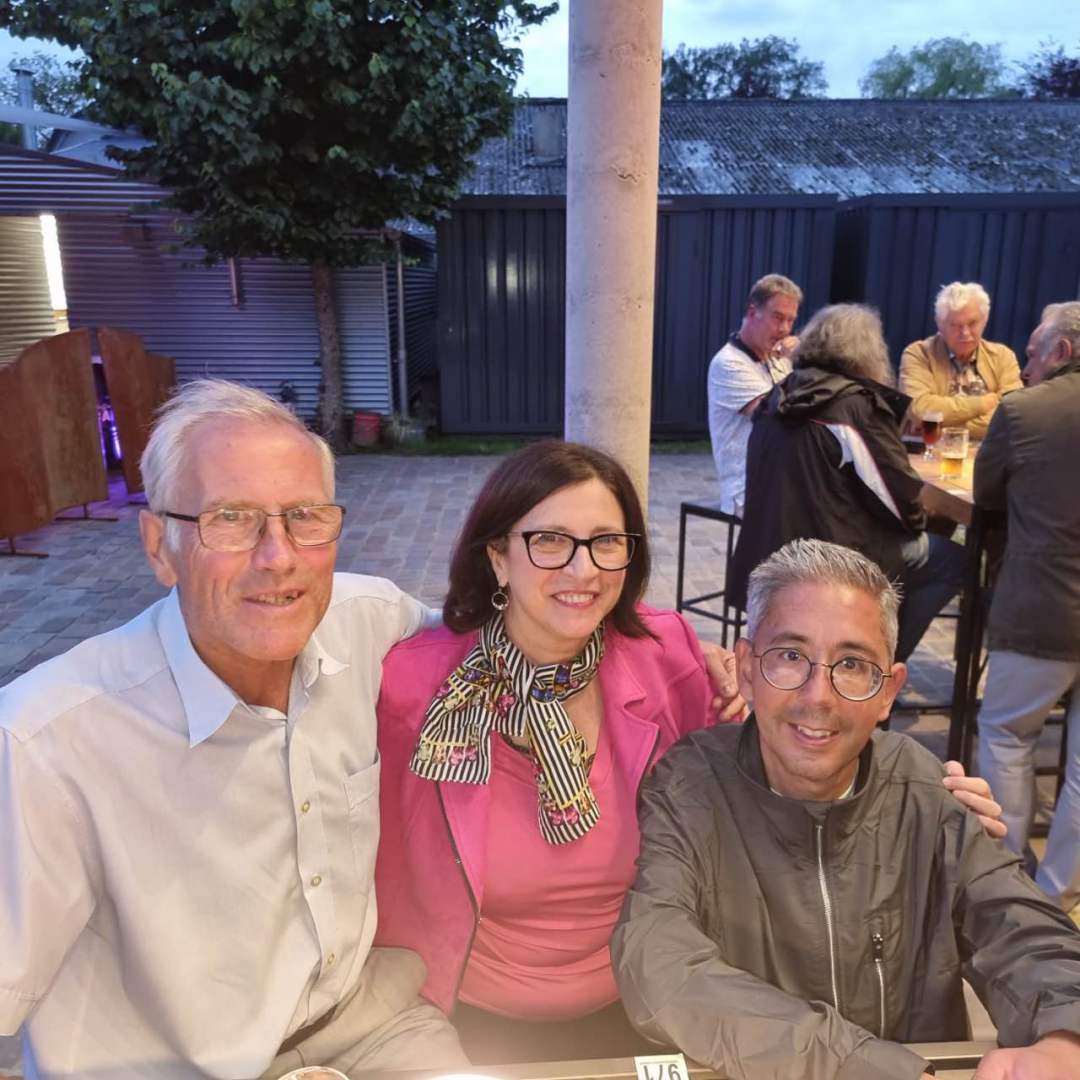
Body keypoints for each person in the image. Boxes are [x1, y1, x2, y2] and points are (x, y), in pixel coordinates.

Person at [373, 442, 1002, 1066]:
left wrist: (914, 796)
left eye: (606, 542)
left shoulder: (666, 657)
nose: (583, 570)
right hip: (468, 1015)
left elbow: (772, 766)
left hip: (653, 1003)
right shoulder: (413, 688)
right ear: (497, 557)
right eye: (551, 541)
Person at [0, 380, 467, 1079]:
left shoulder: (366, 621)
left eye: (304, 516)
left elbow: (503, 645)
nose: (278, 556)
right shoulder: (44, 744)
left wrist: (645, 646)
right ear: (160, 547)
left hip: (368, 1027)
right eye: (231, 519)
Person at [613, 539, 1080, 1080]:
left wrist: (1065, 1036)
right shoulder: (690, 785)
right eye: (791, 656)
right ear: (746, 669)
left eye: (852, 664)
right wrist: (864, 1067)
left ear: (888, 692)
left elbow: (1018, 924)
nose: (819, 696)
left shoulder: (924, 789)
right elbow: (659, 961)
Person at [729, 303, 965, 662]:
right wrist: (921, 516)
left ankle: (856, 653)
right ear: (869, 353)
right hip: (833, 560)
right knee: (953, 559)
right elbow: (903, 506)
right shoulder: (856, 407)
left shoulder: (778, 397)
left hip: (768, 552)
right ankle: (877, 664)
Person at [975, 301, 1080, 917]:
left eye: (1035, 351)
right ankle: (1059, 896)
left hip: (1043, 605)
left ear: (1062, 352)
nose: (1027, 362)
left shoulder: (1023, 410)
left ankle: (1007, 884)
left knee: (1008, 735)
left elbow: (986, 494)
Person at [707, 273, 802, 515]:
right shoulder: (729, 363)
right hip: (750, 487)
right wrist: (800, 362)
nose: (785, 329)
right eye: (777, 317)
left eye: (791, 321)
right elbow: (776, 415)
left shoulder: (779, 359)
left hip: (784, 477)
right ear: (752, 313)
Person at [900, 281, 1023, 440]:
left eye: (973, 323)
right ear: (940, 324)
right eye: (955, 325)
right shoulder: (919, 354)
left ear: (985, 320)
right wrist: (984, 403)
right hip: (932, 453)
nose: (965, 333)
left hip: (988, 453)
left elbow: (1013, 415)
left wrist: (939, 426)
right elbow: (920, 410)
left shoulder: (1003, 357)